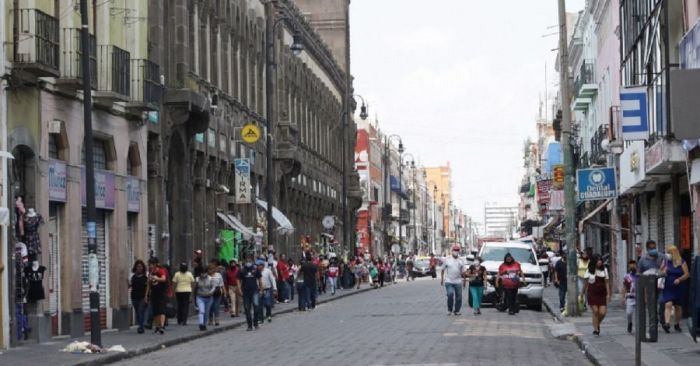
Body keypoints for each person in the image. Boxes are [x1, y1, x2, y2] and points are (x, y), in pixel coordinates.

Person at [637, 240, 663, 340]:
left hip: (660, 285)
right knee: (651, 308)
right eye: (651, 248)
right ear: (647, 249)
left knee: (661, 303)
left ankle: (661, 320)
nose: (653, 250)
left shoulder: (661, 257)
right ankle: (653, 327)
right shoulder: (643, 260)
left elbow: (665, 268)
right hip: (648, 287)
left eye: (654, 248)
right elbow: (639, 273)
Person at [661, 245, 690, 333]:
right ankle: (667, 323)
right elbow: (660, 272)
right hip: (668, 286)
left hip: (679, 286)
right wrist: (663, 270)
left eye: (669, 252)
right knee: (668, 304)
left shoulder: (682, 262)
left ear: (674, 253)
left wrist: (679, 279)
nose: (667, 254)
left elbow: (687, 274)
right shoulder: (665, 261)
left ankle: (677, 323)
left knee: (678, 306)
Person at [584, 254, 610, 336]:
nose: (600, 262)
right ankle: (596, 330)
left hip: (602, 293)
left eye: (601, 260)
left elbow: (607, 283)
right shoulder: (589, 270)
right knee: (595, 311)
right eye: (598, 260)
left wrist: (608, 294)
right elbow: (586, 284)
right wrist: (582, 294)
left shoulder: (604, 270)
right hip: (592, 293)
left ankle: (597, 323)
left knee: (602, 313)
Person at [238, 254, 263, 330]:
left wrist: (261, 289)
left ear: (252, 261)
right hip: (245, 291)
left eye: (250, 260)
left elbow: (260, 279)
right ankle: (249, 325)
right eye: (247, 260)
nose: (248, 262)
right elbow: (238, 280)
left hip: (254, 291)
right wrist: (239, 289)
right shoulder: (242, 269)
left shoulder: (255, 269)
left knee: (256, 307)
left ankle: (255, 323)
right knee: (247, 308)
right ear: (245, 261)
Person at [441, 245, 467, 316]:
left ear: (459, 251)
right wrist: (442, 279)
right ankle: (449, 310)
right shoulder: (447, 259)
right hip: (449, 281)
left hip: (458, 281)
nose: (456, 252)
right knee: (450, 294)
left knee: (459, 297)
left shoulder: (461, 260)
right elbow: (442, 269)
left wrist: (464, 281)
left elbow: (464, 272)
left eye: (457, 250)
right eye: (455, 250)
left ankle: (457, 310)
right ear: (452, 251)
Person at [145, 257, 167, 334]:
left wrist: (157, 278)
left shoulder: (161, 271)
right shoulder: (150, 273)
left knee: (161, 310)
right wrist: (146, 295)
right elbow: (148, 284)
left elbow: (164, 279)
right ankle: (157, 326)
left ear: (154, 264)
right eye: (149, 264)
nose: (149, 266)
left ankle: (162, 326)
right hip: (154, 293)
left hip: (161, 292)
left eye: (150, 264)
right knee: (155, 311)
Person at [194, 264, 216, 331]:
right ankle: (201, 324)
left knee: (206, 312)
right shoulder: (197, 279)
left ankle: (204, 324)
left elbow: (213, 287)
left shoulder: (210, 278)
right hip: (200, 297)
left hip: (209, 298)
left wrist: (211, 292)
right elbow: (195, 289)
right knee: (202, 311)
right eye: (202, 273)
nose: (203, 274)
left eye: (204, 272)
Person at [128, 260, 148, 333]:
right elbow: (129, 285)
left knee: (140, 310)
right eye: (138, 267)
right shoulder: (132, 276)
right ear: (135, 267)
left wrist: (146, 296)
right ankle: (141, 324)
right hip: (134, 296)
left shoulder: (146, 276)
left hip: (142, 296)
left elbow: (148, 287)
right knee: (137, 311)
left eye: (141, 267)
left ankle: (141, 327)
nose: (139, 268)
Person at [207, 259, 225, 327]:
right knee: (210, 307)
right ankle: (210, 319)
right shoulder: (206, 276)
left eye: (211, 269)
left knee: (216, 306)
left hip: (217, 292)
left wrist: (224, 291)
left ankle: (217, 320)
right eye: (209, 269)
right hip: (209, 292)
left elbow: (221, 284)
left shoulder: (218, 275)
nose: (210, 271)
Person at [622, 260, 638, 334]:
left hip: (638, 297)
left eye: (634, 265)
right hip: (629, 297)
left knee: (638, 314)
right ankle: (630, 323)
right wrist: (623, 297)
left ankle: (638, 327)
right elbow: (624, 287)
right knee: (629, 313)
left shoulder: (639, 275)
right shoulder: (626, 276)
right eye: (631, 265)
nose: (632, 266)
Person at [260, 258, 277, 323]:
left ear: (263, 265)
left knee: (267, 304)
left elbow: (272, 279)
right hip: (259, 290)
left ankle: (268, 314)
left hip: (267, 289)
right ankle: (260, 318)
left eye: (260, 265)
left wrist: (275, 289)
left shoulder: (268, 271)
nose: (259, 266)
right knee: (259, 305)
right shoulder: (256, 272)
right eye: (258, 265)